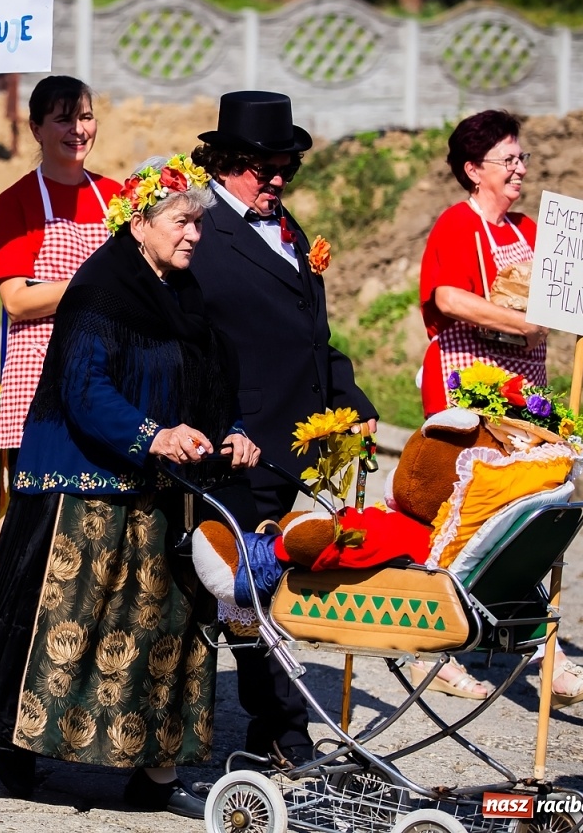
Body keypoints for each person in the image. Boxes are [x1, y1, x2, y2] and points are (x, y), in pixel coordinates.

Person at [0, 156, 251, 816]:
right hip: (86, 483)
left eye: (197, 223)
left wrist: (235, 429)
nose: (193, 235)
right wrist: (152, 434)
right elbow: (83, 386)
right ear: (140, 221)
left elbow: (211, 376)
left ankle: (154, 772)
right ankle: (19, 746)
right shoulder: (101, 285)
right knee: (64, 622)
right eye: (181, 222)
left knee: (163, 629)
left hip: (160, 490)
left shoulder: (185, 293)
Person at [186, 89, 377, 766]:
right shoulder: (199, 225)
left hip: (292, 441)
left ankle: (264, 723)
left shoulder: (281, 221)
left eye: (285, 169)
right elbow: (189, 338)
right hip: (235, 442)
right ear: (228, 162)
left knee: (254, 581)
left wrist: (349, 396)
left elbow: (306, 328)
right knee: (246, 586)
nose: (276, 181)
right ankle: (283, 727)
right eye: (264, 168)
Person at [416, 109, 583, 707]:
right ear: (474, 171)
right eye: (509, 159)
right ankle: (440, 647)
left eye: (522, 157)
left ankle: (544, 655)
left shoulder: (529, 231)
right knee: (465, 520)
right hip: (463, 386)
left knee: (528, 520)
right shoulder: (456, 223)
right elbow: (447, 296)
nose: (520, 168)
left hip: (522, 390)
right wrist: (521, 322)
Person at [0, 76, 118, 615]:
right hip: (41, 362)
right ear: (35, 128)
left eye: (87, 116)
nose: (79, 129)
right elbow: (18, 302)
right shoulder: (18, 200)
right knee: (30, 494)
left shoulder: (116, 197)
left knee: (92, 493)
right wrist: (90, 288)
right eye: (63, 119)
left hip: (105, 364)